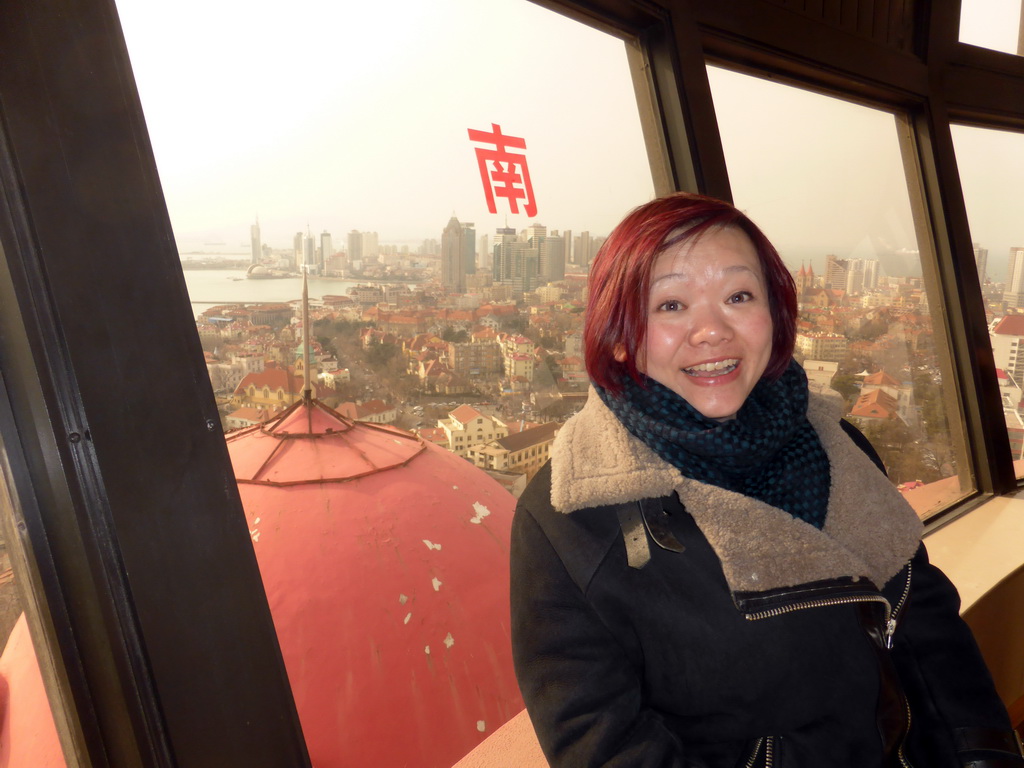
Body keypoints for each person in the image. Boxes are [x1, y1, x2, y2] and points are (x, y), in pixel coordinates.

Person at [510, 192, 1023, 768]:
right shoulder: (570, 517)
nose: (711, 331)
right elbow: (604, 743)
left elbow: (928, 629)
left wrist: (985, 754)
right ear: (620, 334)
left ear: (775, 317)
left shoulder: (838, 448)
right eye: (671, 305)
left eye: (738, 296)